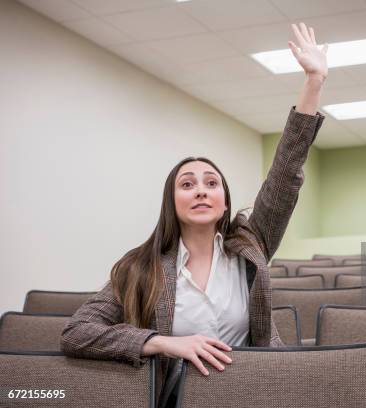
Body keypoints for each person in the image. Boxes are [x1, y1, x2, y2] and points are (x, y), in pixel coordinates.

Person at [60, 22, 328, 405]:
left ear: (223, 202)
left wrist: (313, 81)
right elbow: (77, 332)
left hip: (257, 395)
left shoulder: (252, 244)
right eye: (187, 184)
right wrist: (160, 342)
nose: (201, 189)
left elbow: (284, 174)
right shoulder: (139, 267)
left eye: (211, 183)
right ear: (172, 202)